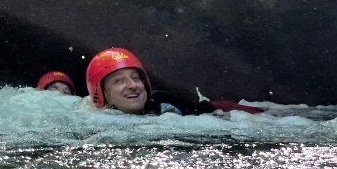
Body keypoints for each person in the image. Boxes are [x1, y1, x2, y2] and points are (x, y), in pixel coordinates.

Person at [85, 47, 262, 116]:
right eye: (119, 81)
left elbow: (210, 108)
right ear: (101, 93)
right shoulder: (89, 122)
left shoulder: (164, 104)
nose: (133, 85)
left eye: (136, 77)